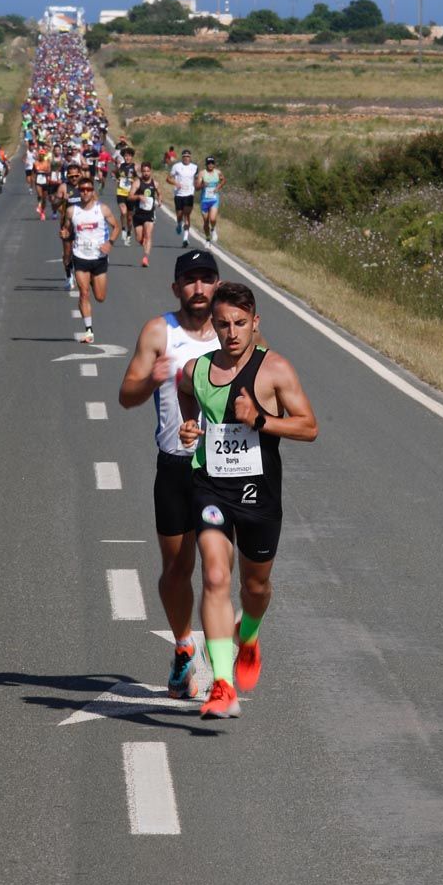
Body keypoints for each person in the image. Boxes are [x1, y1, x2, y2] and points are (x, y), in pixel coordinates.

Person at [178, 281, 318, 718]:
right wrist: (188, 426)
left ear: (255, 323)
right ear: (212, 327)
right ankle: (222, 683)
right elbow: (184, 391)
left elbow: (309, 427)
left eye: (241, 323)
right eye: (223, 324)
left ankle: (250, 635)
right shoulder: (196, 370)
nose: (232, 332)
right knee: (216, 576)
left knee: (254, 588)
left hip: (259, 492)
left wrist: (260, 419)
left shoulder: (274, 369)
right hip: (210, 485)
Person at [119, 250, 221, 699]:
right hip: (176, 466)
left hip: (224, 470)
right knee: (178, 568)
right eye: (190, 280)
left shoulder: (233, 331)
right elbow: (126, 395)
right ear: (176, 287)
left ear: (217, 284)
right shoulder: (160, 332)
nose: (199, 288)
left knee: (218, 573)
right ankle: (183, 649)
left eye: (206, 279)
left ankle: (222, 675)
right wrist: (151, 378)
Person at [60, 176, 120, 343]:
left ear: (93, 191)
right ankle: (88, 330)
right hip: (80, 256)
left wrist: (110, 243)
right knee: (84, 293)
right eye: (82, 189)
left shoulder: (102, 209)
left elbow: (117, 227)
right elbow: (67, 231)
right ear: (79, 192)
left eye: (88, 189)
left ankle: (94, 280)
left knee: (100, 297)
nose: (85, 192)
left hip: (99, 258)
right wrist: (65, 235)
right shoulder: (72, 211)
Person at [129, 161, 161, 267]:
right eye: (144, 171)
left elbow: (159, 193)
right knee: (139, 238)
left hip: (149, 213)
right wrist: (138, 197)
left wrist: (160, 201)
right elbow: (130, 196)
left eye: (148, 171)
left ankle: (146, 258)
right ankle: (144, 243)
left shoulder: (155, 183)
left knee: (148, 235)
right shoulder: (137, 183)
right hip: (138, 213)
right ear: (141, 172)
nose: (146, 173)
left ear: (150, 171)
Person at [167, 149, 198, 248]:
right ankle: (179, 223)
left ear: (190, 157)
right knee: (180, 215)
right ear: (182, 157)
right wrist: (175, 183)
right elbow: (168, 178)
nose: (186, 158)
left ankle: (185, 238)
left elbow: (197, 179)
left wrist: (198, 185)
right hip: (179, 194)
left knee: (187, 215)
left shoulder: (194, 167)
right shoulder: (176, 166)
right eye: (184, 156)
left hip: (189, 194)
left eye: (188, 156)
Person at [195, 156, 226, 247]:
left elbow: (223, 180)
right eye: (209, 163)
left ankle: (213, 229)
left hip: (214, 199)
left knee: (212, 219)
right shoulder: (202, 173)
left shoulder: (218, 172)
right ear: (206, 164)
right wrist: (202, 185)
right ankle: (208, 239)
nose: (210, 165)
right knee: (205, 222)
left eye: (212, 163)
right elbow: (197, 188)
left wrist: (218, 187)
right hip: (204, 200)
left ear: (214, 164)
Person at [115, 145, 137, 246]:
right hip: (121, 192)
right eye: (125, 156)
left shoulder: (135, 166)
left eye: (129, 156)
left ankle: (129, 233)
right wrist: (117, 179)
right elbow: (114, 175)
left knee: (129, 217)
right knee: (123, 212)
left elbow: (140, 179)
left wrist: (134, 181)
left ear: (132, 157)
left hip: (131, 194)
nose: (127, 157)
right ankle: (123, 229)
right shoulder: (120, 166)